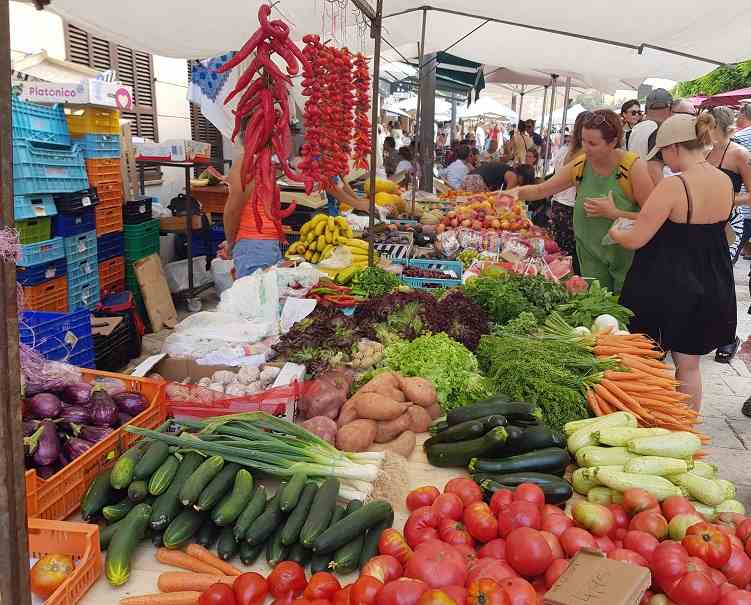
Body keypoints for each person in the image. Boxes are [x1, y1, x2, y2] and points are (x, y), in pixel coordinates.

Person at [609, 113, 736, 411]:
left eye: (664, 152)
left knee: (647, 360)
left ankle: (649, 418)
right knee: (689, 364)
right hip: (712, 277)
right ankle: (686, 426)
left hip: (669, 282)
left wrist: (616, 232)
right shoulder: (725, 181)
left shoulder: (673, 186)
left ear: (675, 147)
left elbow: (637, 238)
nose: (664, 161)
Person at [508, 110, 654, 292]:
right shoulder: (581, 165)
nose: (585, 148)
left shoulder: (631, 167)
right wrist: (513, 193)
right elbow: (541, 189)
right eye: (583, 140)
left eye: (593, 143)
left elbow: (653, 217)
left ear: (613, 142)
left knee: (621, 309)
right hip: (589, 255)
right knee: (594, 305)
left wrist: (614, 214)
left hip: (625, 259)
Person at [704, 106, 751, 364]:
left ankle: (727, 337)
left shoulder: (738, 154)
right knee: (700, 275)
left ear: (720, 128)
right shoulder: (702, 149)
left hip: (728, 224)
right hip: (701, 221)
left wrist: (732, 199)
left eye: (708, 127)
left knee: (720, 279)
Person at [222, 149, 282, 278]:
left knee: (253, 295)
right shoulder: (264, 163)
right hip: (267, 245)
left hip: (254, 246)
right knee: (265, 294)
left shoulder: (248, 161)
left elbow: (232, 210)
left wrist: (230, 242)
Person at [549, 111, 592, 273]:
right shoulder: (586, 157)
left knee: (559, 253)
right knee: (574, 257)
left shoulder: (563, 151)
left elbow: (554, 179)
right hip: (573, 208)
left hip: (558, 205)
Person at [627, 88, 673, 184]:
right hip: (655, 188)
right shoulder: (661, 130)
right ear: (670, 108)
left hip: (636, 185)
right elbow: (655, 171)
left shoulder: (635, 129)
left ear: (646, 109)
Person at [470, 161, 535, 191]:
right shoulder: (513, 177)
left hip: (472, 177)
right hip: (476, 179)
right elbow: (506, 195)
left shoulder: (511, 171)